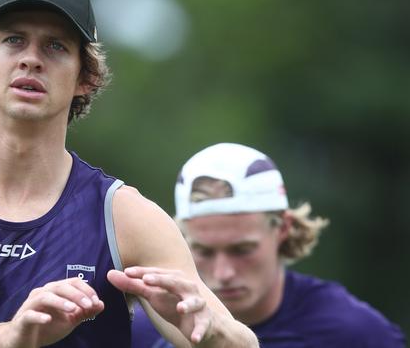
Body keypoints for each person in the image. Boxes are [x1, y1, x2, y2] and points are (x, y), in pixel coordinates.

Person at [0, 0, 258, 347]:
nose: (31, 59)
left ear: (86, 78)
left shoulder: (124, 217)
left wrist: (214, 333)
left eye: (55, 47)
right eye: (14, 40)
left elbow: (237, 342)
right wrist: (12, 338)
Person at [132, 143, 406, 348]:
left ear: (283, 229)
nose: (223, 273)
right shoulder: (144, 332)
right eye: (203, 251)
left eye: (242, 250)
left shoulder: (354, 334)